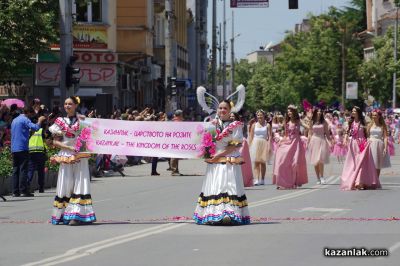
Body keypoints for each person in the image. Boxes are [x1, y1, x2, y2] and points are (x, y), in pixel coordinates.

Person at [193, 100, 250, 225]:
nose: (222, 110)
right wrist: (206, 153)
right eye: (220, 108)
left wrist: (217, 155)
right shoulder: (211, 124)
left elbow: (233, 146)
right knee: (216, 185)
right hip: (215, 160)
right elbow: (203, 141)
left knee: (229, 185)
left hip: (228, 159)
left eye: (225, 108)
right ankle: (214, 213)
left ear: (230, 111)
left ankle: (229, 213)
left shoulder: (236, 125)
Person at [48, 96, 96, 225]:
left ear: (76, 105)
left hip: (80, 155)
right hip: (67, 154)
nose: (67, 106)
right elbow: (55, 142)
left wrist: (90, 123)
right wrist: (68, 146)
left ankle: (77, 214)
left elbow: (90, 137)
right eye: (65, 104)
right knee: (66, 183)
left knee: (80, 182)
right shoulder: (59, 121)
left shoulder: (82, 120)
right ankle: (64, 214)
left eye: (70, 104)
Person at [340, 106, 380, 190]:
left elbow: (368, 133)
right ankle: (355, 181)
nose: (353, 112)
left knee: (361, 163)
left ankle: (360, 182)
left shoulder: (363, 122)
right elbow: (347, 132)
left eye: (354, 111)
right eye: (352, 111)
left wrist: (369, 139)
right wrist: (345, 139)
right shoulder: (351, 122)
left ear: (358, 112)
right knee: (354, 164)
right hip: (353, 144)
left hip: (362, 144)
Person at [11, 107, 46, 197]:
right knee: (23, 169)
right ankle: (23, 190)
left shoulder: (14, 120)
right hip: (22, 147)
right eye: (31, 114)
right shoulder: (25, 119)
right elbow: (36, 127)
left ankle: (15, 191)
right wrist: (39, 120)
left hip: (14, 148)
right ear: (28, 113)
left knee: (16, 170)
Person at [273, 105, 308, 189]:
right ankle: (283, 182)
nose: (289, 113)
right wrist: (281, 141)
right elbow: (285, 135)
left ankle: (295, 181)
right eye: (288, 111)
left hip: (297, 144)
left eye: (290, 111)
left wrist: (308, 120)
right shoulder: (287, 123)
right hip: (288, 143)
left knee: (295, 163)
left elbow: (307, 127)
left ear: (294, 112)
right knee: (283, 162)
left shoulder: (298, 121)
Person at [307, 107, 332, 185]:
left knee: (320, 159)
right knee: (315, 161)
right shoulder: (312, 121)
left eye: (320, 111)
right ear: (315, 112)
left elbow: (327, 133)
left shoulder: (324, 122)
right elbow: (310, 132)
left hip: (322, 140)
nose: (319, 112)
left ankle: (322, 177)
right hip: (314, 141)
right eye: (318, 111)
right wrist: (308, 141)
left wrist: (331, 141)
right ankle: (318, 178)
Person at [249, 110, 271, 185]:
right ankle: (256, 179)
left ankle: (262, 179)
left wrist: (269, 145)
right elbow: (251, 136)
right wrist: (250, 145)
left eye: (261, 115)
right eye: (258, 115)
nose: (259, 117)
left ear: (264, 116)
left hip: (264, 143)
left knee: (263, 162)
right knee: (256, 162)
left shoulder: (267, 125)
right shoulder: (254, 125)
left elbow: (270, 136)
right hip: (255, 143)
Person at [230, 112, 253, 187]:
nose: (231, 117)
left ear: (236, 117)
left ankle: (242, 180)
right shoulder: (227, 124)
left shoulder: (239, 124)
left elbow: (239, 135)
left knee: (239, 163)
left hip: (239, 144)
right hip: (230, 145)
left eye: (233, 116)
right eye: (230, 116)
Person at [367, 109, 391, 178]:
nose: (374, 116)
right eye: (373, 115)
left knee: (378, 164)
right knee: (370, 163)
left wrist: (385, 148)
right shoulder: (369, 125)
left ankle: (376, 180)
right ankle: (370, 179)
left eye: (375, 115)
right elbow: (367, 135)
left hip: (379, 144)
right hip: (370, 144)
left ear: (379, 116)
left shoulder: (382, 126)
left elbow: (385, 137)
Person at [27, 118, 48, 193]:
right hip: (40, 152)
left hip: (31, 151)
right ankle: (41, 188)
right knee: (40, 171)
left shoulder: (30, 130)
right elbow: (45, 140)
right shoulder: (41, 130)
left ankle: (27, 185)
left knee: (30, 170)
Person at [170, 109, 184, 176]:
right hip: (175, 141)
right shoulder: (176, 122)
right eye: (182, 114)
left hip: (177, 140)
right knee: (174, 156)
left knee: (176, 156)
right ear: (180, 115)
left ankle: (176, 170)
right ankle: (174, 170)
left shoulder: (176, 121)